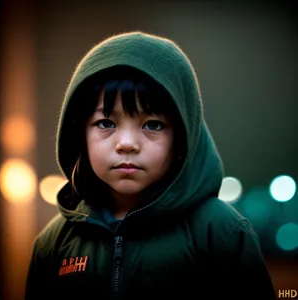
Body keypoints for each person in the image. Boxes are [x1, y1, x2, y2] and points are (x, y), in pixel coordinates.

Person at [25, 31, 276, 300]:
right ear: (79, 134)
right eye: (106, 123)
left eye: (152, 125)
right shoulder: (54, 243)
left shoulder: (221, 232)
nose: (127, 143)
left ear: (182, 137)